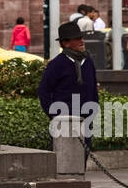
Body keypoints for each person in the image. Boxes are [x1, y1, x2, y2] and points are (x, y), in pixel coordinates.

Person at [37, 22, 99, 152]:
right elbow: (44, 91)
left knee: (82, 158)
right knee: (63, 159)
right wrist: (54, 114)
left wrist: (93, 110)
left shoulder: (88, 62)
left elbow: (93, 89)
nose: (82, 41)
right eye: (77, 39)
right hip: (64, 120)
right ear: (66, 43)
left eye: (81, 37)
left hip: (85, 119)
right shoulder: (56, 64)